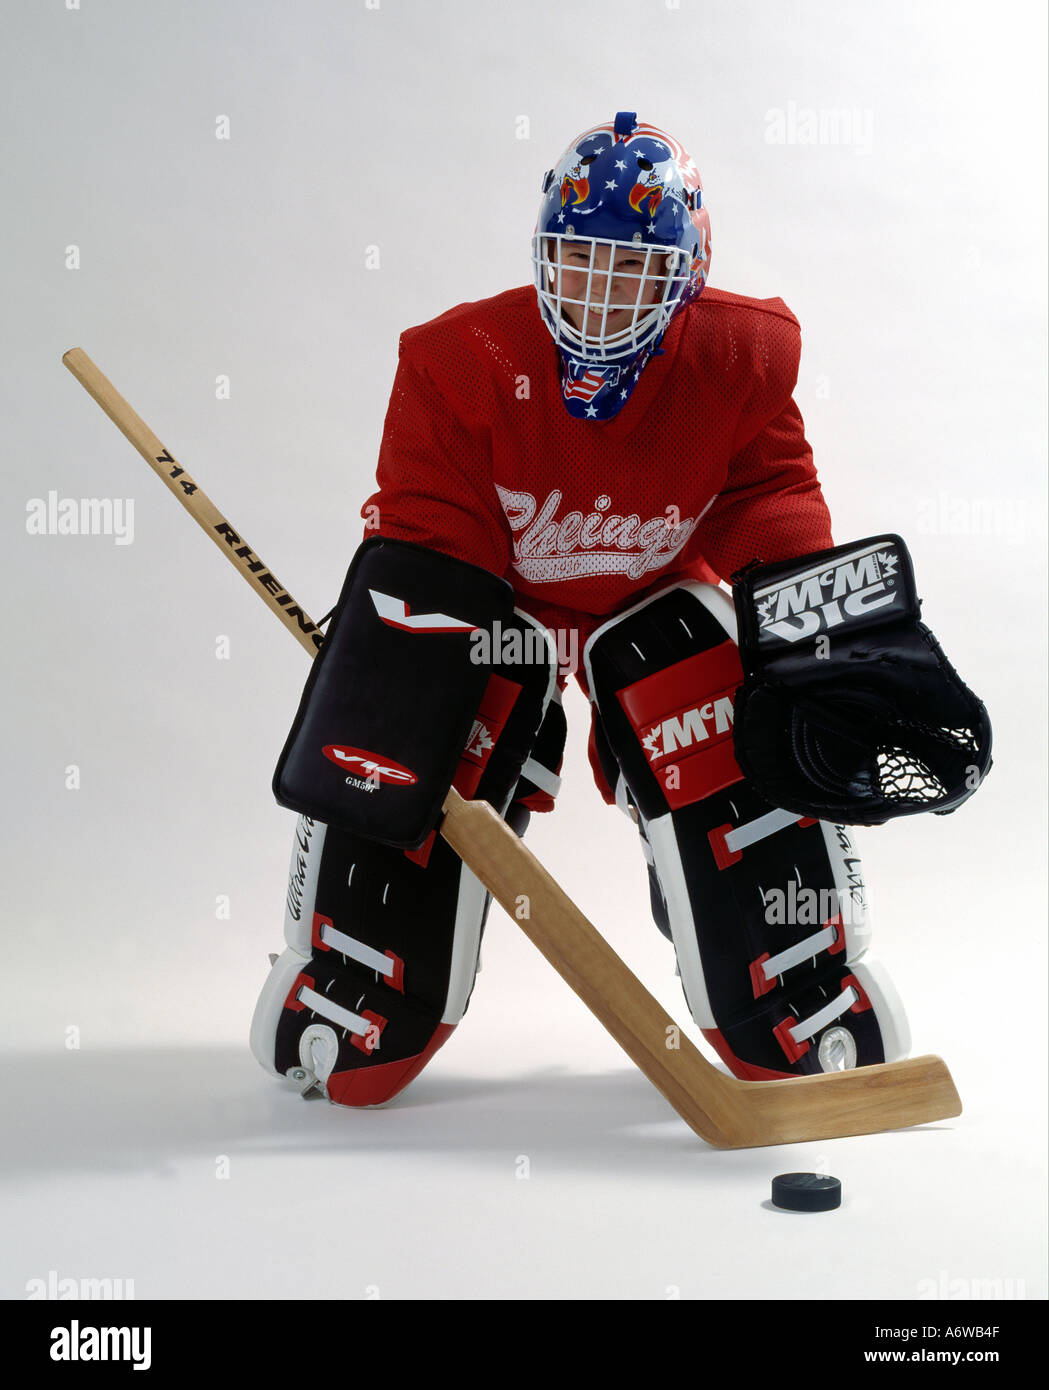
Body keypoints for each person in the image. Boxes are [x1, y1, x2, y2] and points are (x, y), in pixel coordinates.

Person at [249, 111, 917, 1105]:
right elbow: (429, 547)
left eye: (629, 273)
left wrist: (813, 642)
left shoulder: (739, 356)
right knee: (430, 715)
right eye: (576, 263)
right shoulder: (457, 362)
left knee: (699, 681)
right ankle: (357, 980)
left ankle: (794, 983)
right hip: (500, 601)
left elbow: (764, 498)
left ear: (685, 277)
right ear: (540, 253)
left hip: (652, 605)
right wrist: (398, 690)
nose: (596, 300)